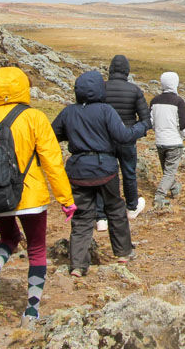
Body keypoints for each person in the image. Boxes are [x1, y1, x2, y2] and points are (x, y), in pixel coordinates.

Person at [0, 66, 75, 326]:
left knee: (9, 238)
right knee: (36, 249)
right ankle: (31, 312)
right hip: (30, 198)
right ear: (24, 87)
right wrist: (66, 200)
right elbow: (52, 162)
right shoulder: (34, 117)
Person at [51, 70, 151, 273]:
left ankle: (78, 265)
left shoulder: (68, 112)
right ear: (100, 89)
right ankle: (123, 253)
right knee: (115, 208)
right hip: (105, 169)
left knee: (81, 216)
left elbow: (52, 136)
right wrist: (142, 127)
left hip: (78, 171)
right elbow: (123, 136)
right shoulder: (106, 110)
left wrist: (75, 135)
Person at [101, 54, 150, 220]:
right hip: (127, 139)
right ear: (127, 71)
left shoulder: (101, 88)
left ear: (110, 69)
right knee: (129, 173)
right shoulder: (134, 90)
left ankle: (103, 213)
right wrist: (133, 133)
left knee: (105, 174)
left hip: (105, 139)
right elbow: (146, 120)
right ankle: (131, 207)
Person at [149, 71, 185, 210]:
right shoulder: (179, 101)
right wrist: (183, 135)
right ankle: (159, 196)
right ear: (175, 83)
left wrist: (158, 132)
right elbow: (183, 123)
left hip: (160, 141)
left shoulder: (154, 101)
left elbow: (151, 122)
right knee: (169, 172)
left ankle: (175, 188)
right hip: (174, 142)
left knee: (166, 171)